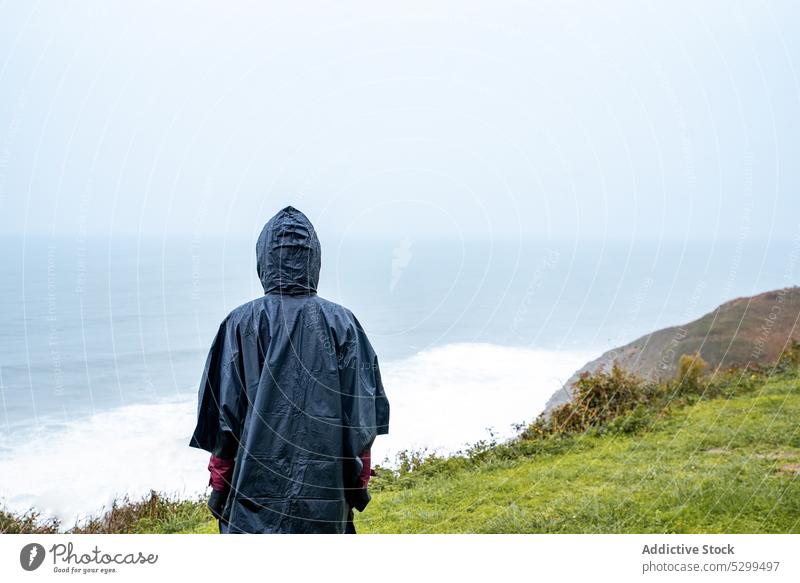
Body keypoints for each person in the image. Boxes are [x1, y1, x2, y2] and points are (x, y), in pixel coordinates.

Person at [190, 206, 390, 533]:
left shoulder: (239, 325)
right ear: (314, 259)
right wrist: (358, 484)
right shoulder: (344, 325)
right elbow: (362, 416)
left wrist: (219, 488)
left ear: (265, 259)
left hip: (250, 507)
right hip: (325, 505)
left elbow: (223, 421)